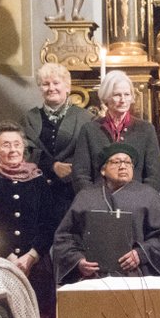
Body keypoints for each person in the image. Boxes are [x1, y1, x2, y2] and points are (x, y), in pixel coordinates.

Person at [52, 143, 160, 284]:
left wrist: (140, 254)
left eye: (128, 162)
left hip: (137, 277)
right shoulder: (85, 198)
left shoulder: (149, 196)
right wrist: (78, 261)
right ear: (103, 170)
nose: (123, 166)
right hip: (92, 278)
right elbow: (65, 237)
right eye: (116, 162)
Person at [0, 123, 54, 285]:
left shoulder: (38, 180)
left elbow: (49, 222)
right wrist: (9, 256)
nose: (13, 150)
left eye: (17, 144)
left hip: (37, 265)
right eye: (6, 145)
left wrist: (32, 256)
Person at [20, 62, 96, 230]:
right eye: (45, 84)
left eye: (56, 83)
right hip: (36, 191)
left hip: (71, 193)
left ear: (67, 87)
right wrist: (53, 166)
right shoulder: (30, 118)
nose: (51, 88)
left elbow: (89, 154)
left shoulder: (86, 118)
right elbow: (25, 151)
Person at [72, 69, 160, 192]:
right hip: (98, 199)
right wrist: (93, 198)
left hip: (137, 199)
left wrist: (142, 199)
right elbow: (80, 174)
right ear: (106, 97)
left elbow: (154, 176)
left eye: (127, 94)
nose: (123, 100)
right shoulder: (89, 130)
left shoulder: (146, 130)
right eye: (117, 95)